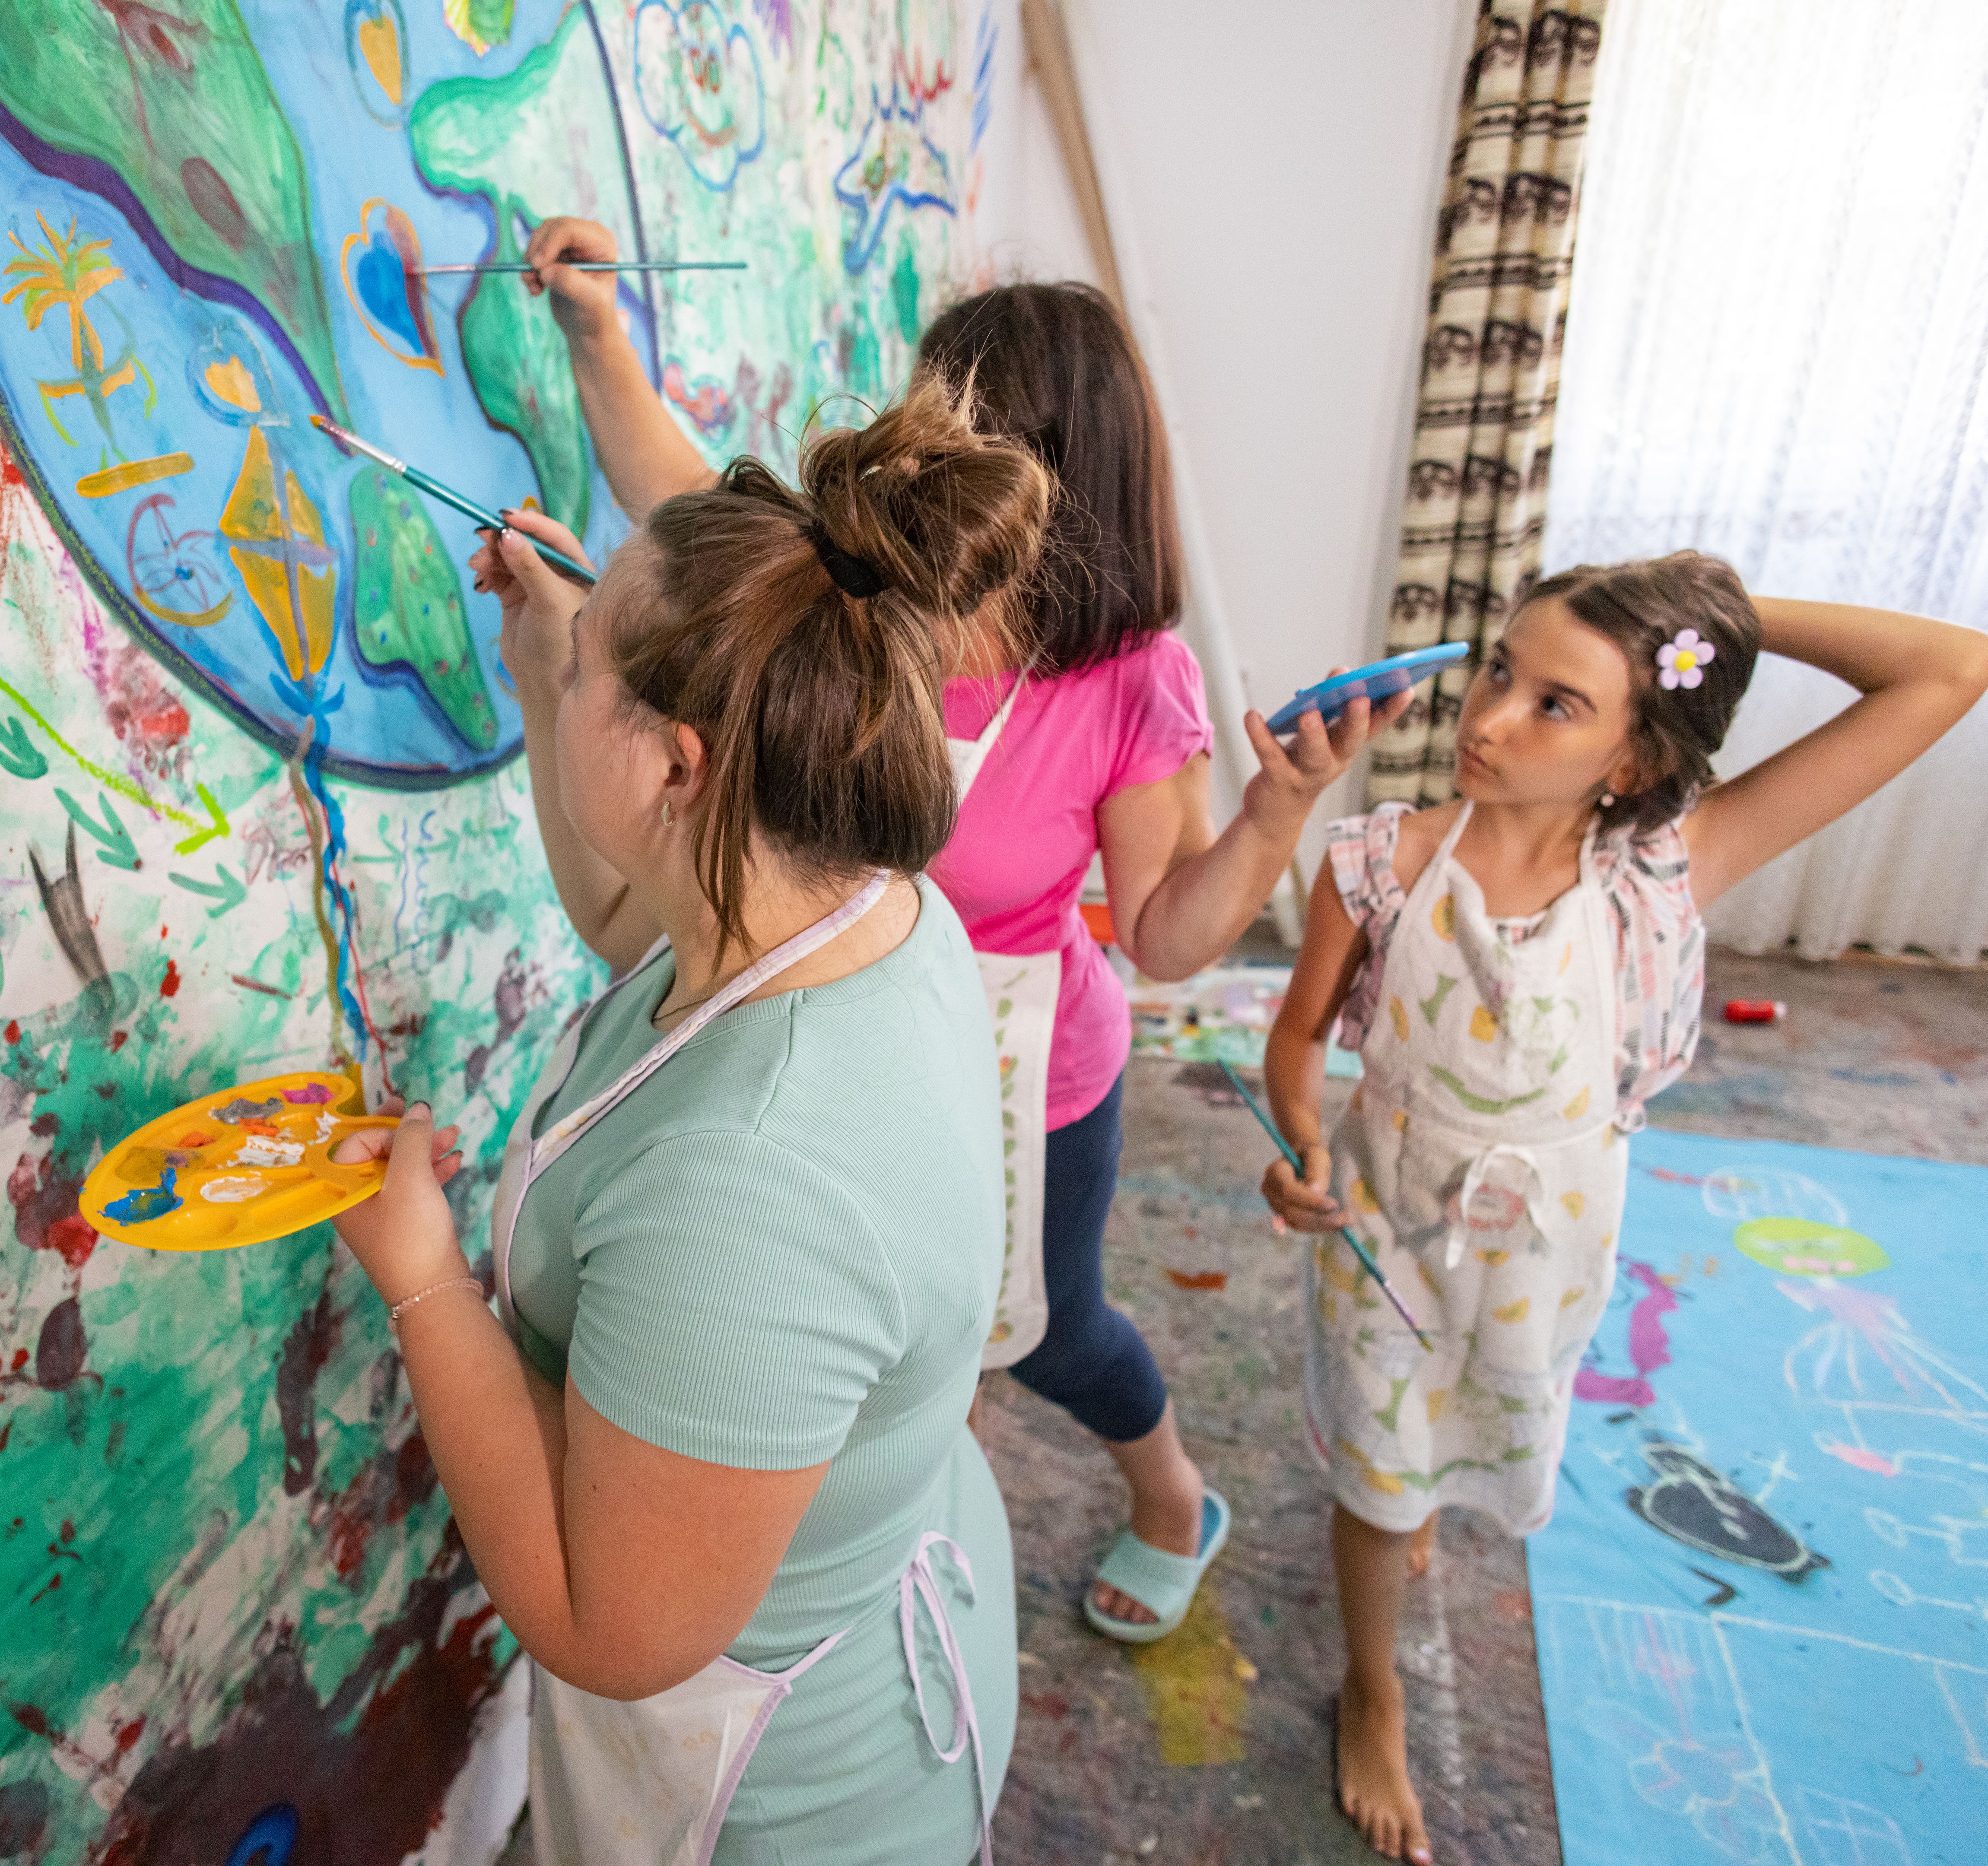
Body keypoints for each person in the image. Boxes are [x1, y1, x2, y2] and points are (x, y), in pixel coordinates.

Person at [515, 222, 1405, 1641]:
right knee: (921, 1358)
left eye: (953, 427)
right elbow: (687, 512)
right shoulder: (872, 607)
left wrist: (1279, 814)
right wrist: (595, 335)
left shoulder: (1130, 679)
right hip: (857, 1029)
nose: (915, 455)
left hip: (1026, 1067)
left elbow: (1169, 938)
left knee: (1046, 1337)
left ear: (1047, 473)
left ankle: (1173, 1493)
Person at [327, 377, 1049, 1863]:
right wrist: (552, 669)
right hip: (880, 1596)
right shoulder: (843, 897)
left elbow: (614, 1621)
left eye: (597, 655)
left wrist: (418, 1278)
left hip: (792, 1798)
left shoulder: (752, 1185)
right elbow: (632, 926)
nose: (573, 648)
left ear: (680, 762)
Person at [1257, 555, 1988, 1863]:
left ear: (1634, 757)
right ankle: (1373, 1691)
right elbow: (1296, 1042)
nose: (1487, 719)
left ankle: (1422, 1506)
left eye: (1556, 704)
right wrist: (1302, 1149)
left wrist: (1710, 626)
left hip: (1544, 1249)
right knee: (1380, 1484)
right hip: (1388, 1228)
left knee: (1488, 1416)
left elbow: (1953, 669)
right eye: (1500, 670)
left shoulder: (1667, 870)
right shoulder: (1379, 861)